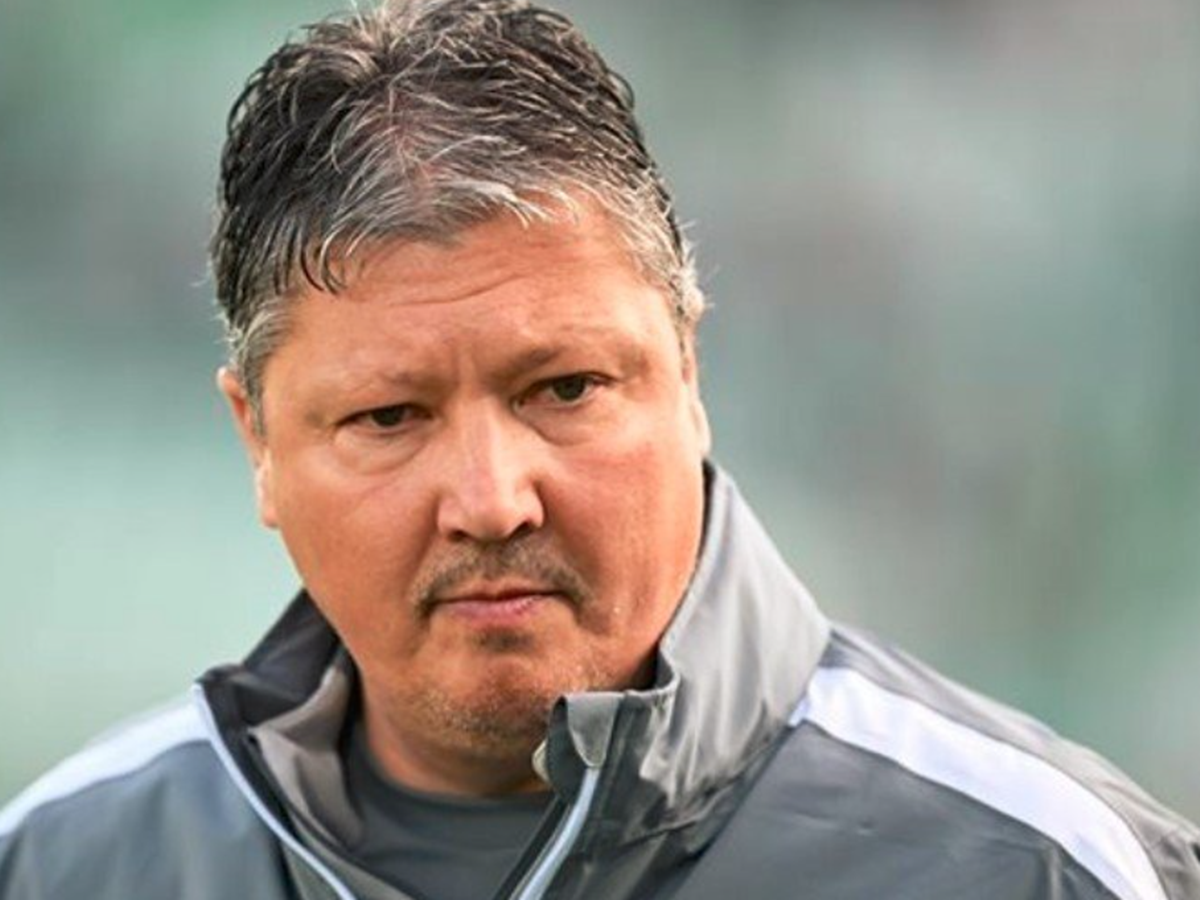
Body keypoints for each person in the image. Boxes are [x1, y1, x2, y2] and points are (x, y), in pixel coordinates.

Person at [1, 0, 1197, 897]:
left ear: (687, 374)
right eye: (388, 417)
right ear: (257, 443)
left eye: (564, 388)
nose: (490, 499)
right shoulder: (63, 864)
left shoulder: (1041, 866)